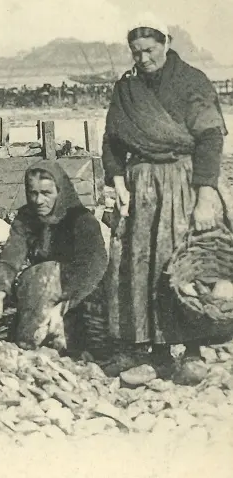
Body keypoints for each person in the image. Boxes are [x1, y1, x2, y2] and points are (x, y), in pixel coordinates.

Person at [102, 13, 232, 377]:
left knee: (183, 261)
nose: (143, 59)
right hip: (141, 185)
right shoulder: (125, 89)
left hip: (182, 180)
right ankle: (152, 352)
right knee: (137, 264)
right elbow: (110, 140)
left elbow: (210, 138)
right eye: (136, 52)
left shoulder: (192, 81)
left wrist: (206, 193)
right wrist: (117, 181)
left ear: (166, 43)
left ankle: (191, 351)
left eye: (149, 50)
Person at [0, 161, 107, 353]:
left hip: (80, 294)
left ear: (60, 191)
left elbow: (93, 269)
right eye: (33, 193)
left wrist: (63, 308)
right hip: (41, 293)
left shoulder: (82, 220)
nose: (38, 200)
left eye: (46, 193)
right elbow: (11, 257)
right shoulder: (26, 218)